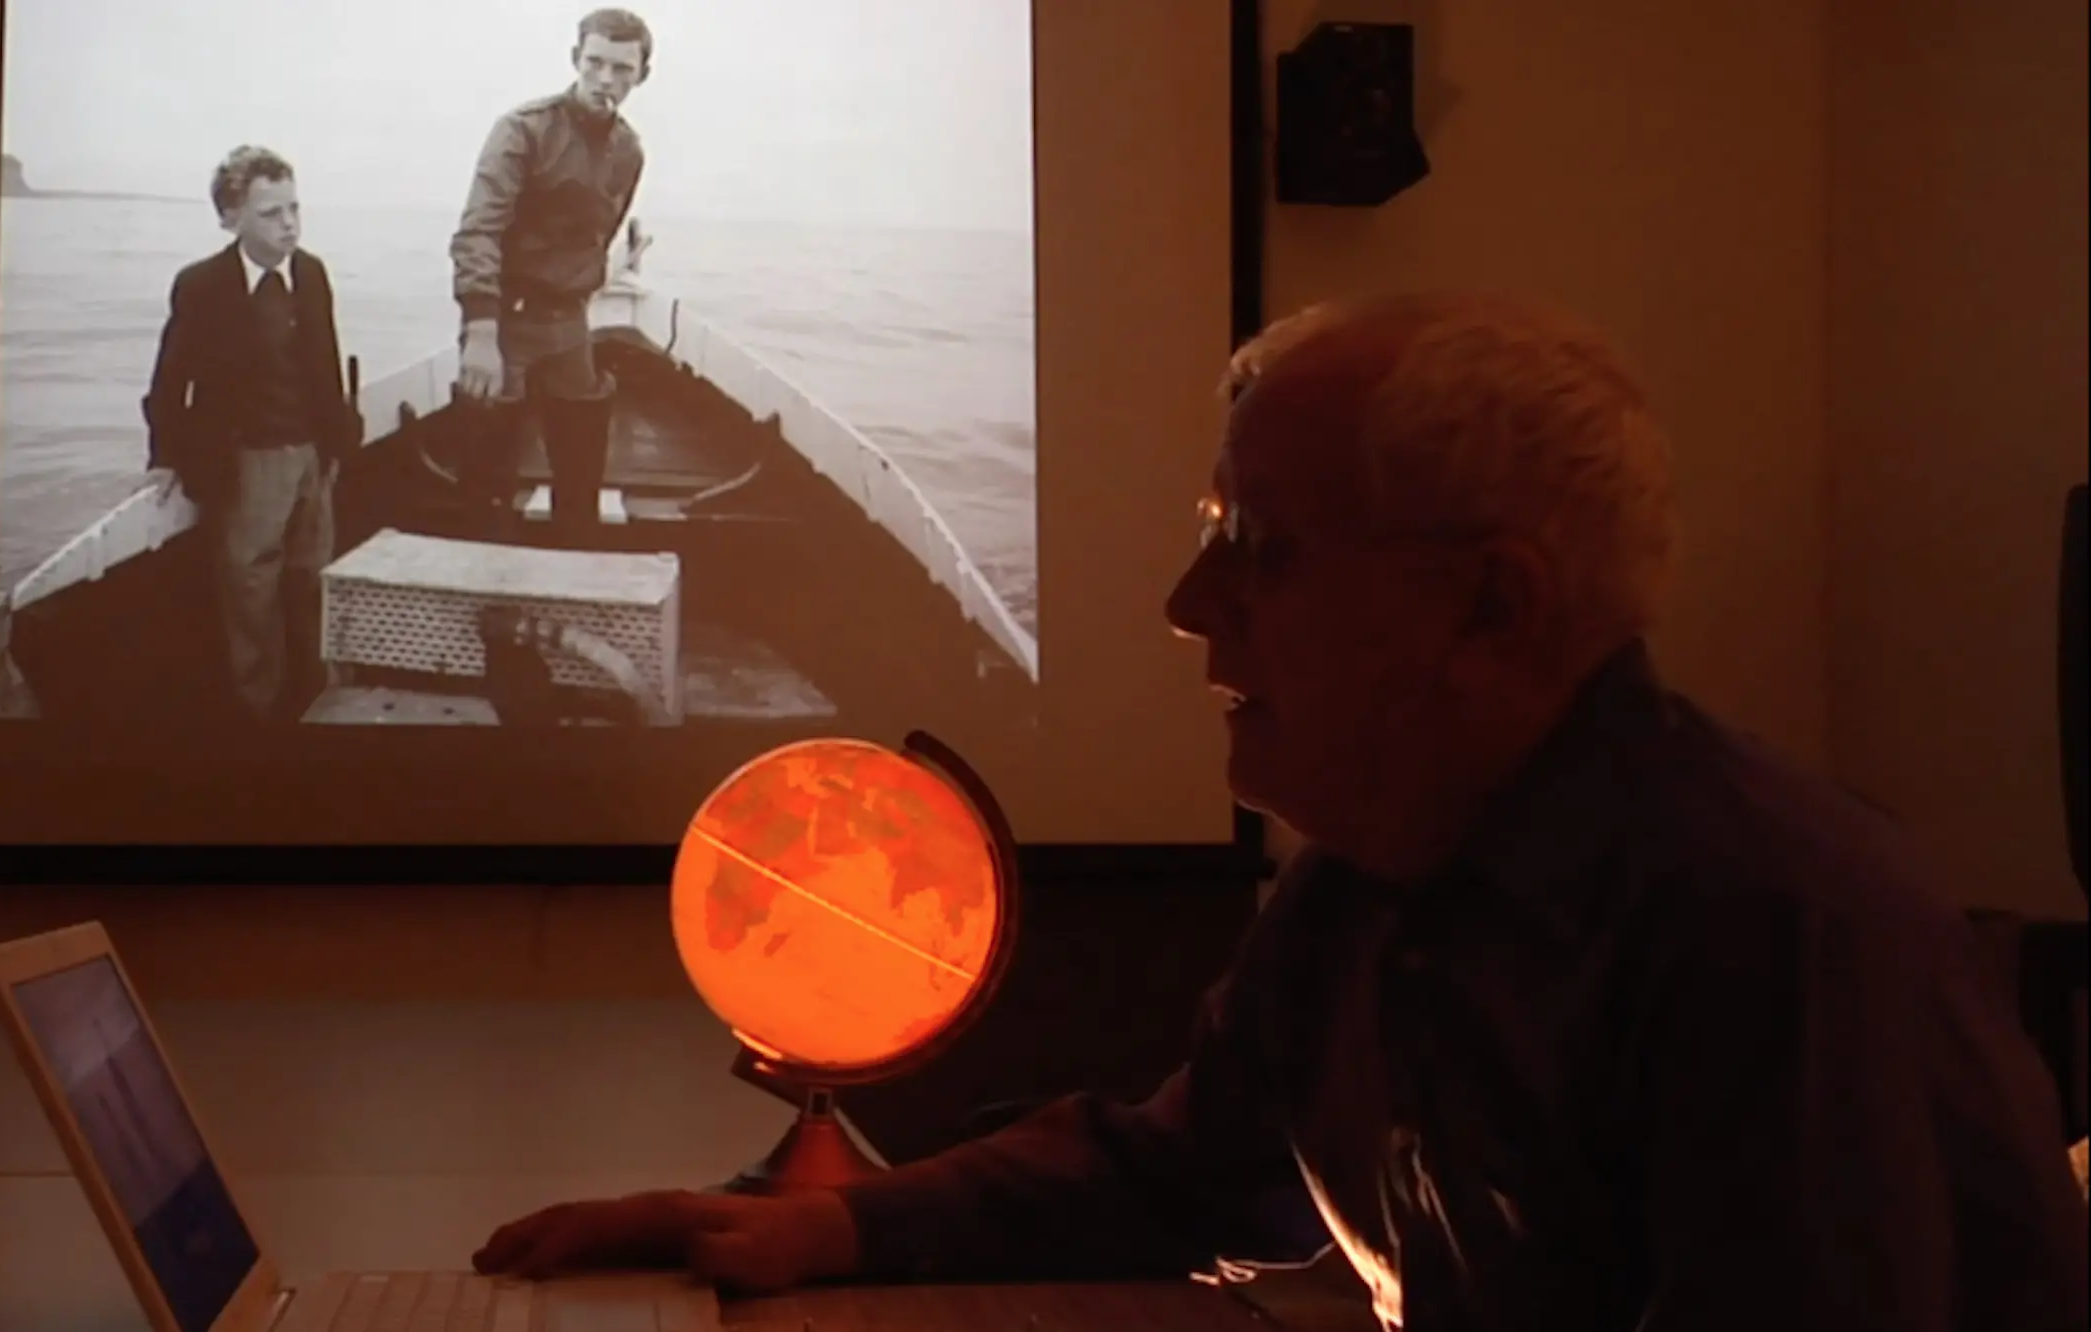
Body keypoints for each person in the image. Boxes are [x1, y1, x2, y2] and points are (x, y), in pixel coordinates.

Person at [469, 291, 2091, 1329]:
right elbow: (1188, 1172)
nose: (1188, 603)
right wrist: (827, 1235)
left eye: (1262, 548)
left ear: (1494, 605)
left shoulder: (1771, 934)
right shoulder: (1378, 874)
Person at [142, 145, 362, 720]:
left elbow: (326, 362)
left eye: (294, 208)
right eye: (271, 213)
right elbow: (171, 377)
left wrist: (337, 442)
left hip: (311, 454)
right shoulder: (202, 285)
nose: (289, 224)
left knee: (315, 574)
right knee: (250, 591)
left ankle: (321, 689)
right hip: (248, 463)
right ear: (229, 218)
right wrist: (165, 455)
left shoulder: (312, 274)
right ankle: (257, 709)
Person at [447, 7, 652, 540]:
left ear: (641, 76)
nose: (605, 79)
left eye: (622, 69)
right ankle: (483, 588)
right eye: (596, 62)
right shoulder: (522, 130)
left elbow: (598, 237)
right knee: (486, 479)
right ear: (575, 60)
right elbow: (477, 232)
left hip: (570, 327)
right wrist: (481, 331)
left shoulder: (629, 150)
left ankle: (569, 575)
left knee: (580, 475)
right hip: (506, 324)